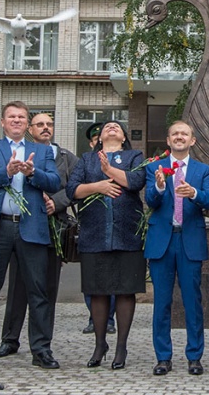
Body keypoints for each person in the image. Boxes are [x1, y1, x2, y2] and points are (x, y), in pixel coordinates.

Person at [0, 101, 60, 371]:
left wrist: (34, 173)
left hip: (31, 227)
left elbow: (55, 182)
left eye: (22, 117)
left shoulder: (42, 151)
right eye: (12, 116)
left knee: (38, 292)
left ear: (27, 123)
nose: (17, 120)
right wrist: (5, 173)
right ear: (3, 121)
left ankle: (41, 349)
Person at [0, 113, 79, 358]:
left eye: (49, 124)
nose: (45, 128)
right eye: (40, 124)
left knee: (47, 287)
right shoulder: (19, 152)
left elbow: (75, 188)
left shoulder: (65, 157)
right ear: (30, 129)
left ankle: (42, 344)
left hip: (54, 228)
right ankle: (10, 339)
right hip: (24, 227)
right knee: (18, 285)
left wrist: (56, 202)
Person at [67, 120, 146, 370]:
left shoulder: (135, 156)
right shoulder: (87, 160)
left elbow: (135, 181)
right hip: (95, 234)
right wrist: (97, 186)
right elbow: (72, 190)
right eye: (107, 127)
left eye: (117, 127)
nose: (112, 128)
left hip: (127, 235)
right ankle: (100, 344)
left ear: (123, 137)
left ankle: (121, 346)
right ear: (99, 138)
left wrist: (109, 170)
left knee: (125, 291)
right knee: (97, 290)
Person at [145, 121, 209, 376]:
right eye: (175, 133)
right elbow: (151, 202)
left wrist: (194, 193)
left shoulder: (202, 170)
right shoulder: (154, 167)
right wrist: (160, 186)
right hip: (162, 242)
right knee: (161, 303)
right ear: (168, 140)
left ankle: (194, 357)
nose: (179, 137)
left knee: (192, 302)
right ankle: (163, 358)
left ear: (192, 140)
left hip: (190, 242)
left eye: (184, 134)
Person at [79, 121, 116, 335]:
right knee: (92, 278)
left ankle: (108, 318)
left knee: (111, 276)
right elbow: (74, 189)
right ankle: (94, 317)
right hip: (93, 225)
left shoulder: (123, 159)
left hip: (114, 226)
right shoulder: (86, 162)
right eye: (95, 140)